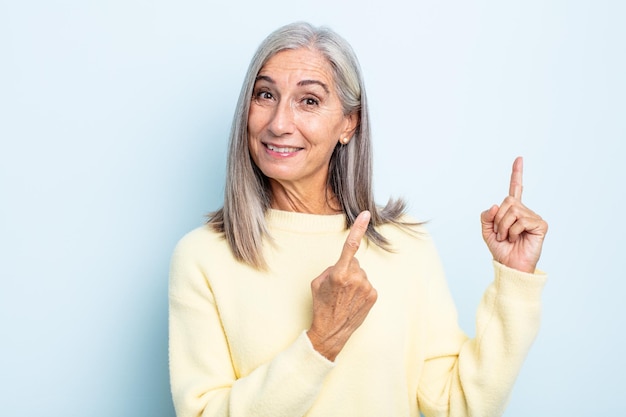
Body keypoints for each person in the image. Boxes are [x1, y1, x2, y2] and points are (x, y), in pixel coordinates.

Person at [168, 22, 548, 417]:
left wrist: (514, 284)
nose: (278, 123)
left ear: (348, 123)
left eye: (309, 101)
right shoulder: (202, 258)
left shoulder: (406, 245)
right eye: (265, 95)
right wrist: (321, 341)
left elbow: (456, 407)